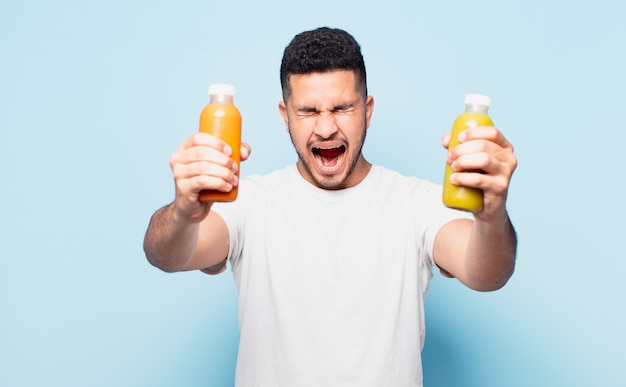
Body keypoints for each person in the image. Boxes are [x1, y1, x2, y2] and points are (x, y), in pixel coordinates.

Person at [143, 27, 517, 387]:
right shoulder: (250, 202)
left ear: (367, 111)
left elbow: (487, 274)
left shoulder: (415, 203)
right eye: (308, 111)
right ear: (285, 116)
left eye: (342, 108)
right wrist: (182, 213)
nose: (325, 129)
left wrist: (491, 214)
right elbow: (167, 255)